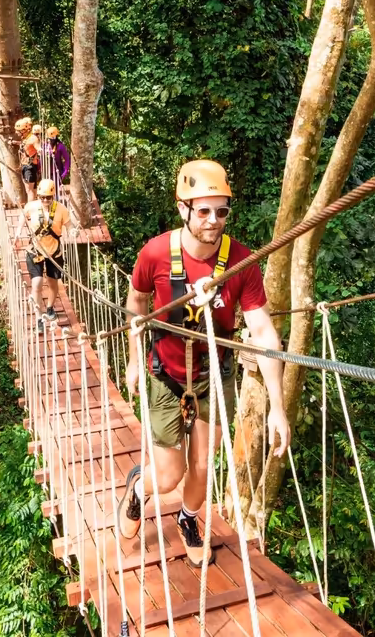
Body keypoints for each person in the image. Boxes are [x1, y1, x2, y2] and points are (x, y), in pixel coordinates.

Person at [118, 159, 290, 567]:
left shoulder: (241, 261)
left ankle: (189, 518)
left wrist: (278, 408)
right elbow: (136, 302)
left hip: (213, 373)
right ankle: (139, 490)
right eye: (203, 210)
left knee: (202, 464)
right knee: (168, 476)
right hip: (166, 371)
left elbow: (264, 332)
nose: (214, 221)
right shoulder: (156, 253)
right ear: (183, 209)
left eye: (222, 211)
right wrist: (134, 360)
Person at [16, 178, 71, 325]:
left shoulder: (61, 209)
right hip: (35, 251)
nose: (45, 200)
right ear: (39, 196)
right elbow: (23, 215)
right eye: (42, 197)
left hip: (54, 253)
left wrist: (74, 232)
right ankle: (39, 316)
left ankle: (50, 308)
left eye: (48, 197)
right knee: (37, 284)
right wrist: (18, 232)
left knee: (53, 284)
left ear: (53, 196)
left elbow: (69, 226)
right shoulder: (31, 206)